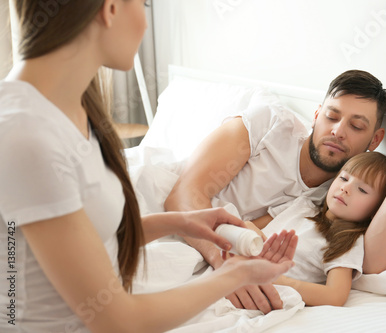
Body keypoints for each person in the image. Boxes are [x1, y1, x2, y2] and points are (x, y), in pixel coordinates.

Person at [0, 1, 296, 332]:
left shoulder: (70, 111)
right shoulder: (26, 135)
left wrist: (183, 223)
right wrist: (235, 275)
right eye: (142, 4)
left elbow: (95, 238)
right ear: (110, 8)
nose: (145, 25)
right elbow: (117, 319)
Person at [164, 70, 386, 312]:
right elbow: (181, 196)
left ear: (375, 139)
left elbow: (375, 263)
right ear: (316, 115)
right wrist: (226, 260)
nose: (338, 131)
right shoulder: (268, 125)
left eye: (356, 125)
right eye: (332, 116)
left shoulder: (334, 197)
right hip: (157, 209)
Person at [243, 152, 386, 306]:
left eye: (362, 190)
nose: (345, 188)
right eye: (344, 178)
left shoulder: (345, 241)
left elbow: (335, 296)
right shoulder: (302, 205)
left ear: (376, 210)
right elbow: (249, 225)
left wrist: (282, 281)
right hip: (238, 262)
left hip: (260, 286)